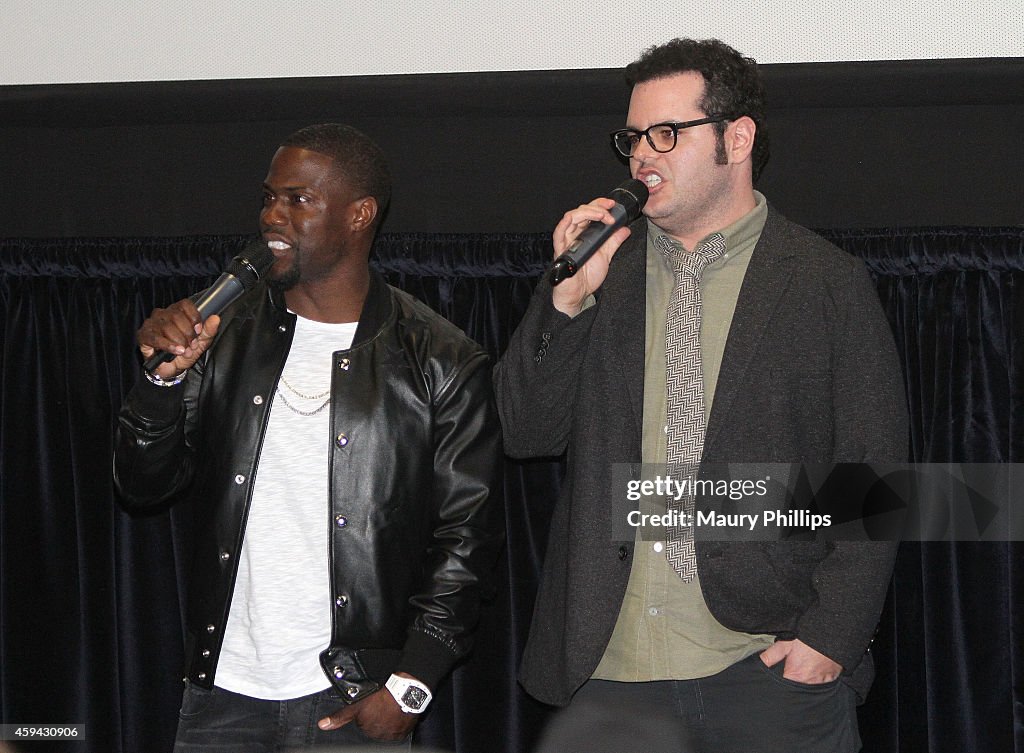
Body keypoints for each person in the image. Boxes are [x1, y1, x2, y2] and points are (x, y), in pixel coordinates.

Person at [494, 38, 907, 752]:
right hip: (611, 676)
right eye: (632, 139)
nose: (641, 158)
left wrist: (828, 639)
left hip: (765, 669)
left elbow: (872, 476)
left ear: (736, 138)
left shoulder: (823, 282)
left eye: (666, 134)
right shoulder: (602, 274)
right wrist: (563, 306)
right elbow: (525, 431)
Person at [114, 123, 503, 751]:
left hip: (351, 701)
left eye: (299, 199)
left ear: (360, 214)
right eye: (269, 196)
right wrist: (161, 384)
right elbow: (141, 485)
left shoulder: (438, 358)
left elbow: (466, 539)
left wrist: (411, 684)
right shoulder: (223, 333)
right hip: (221, 696)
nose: (273, 215)